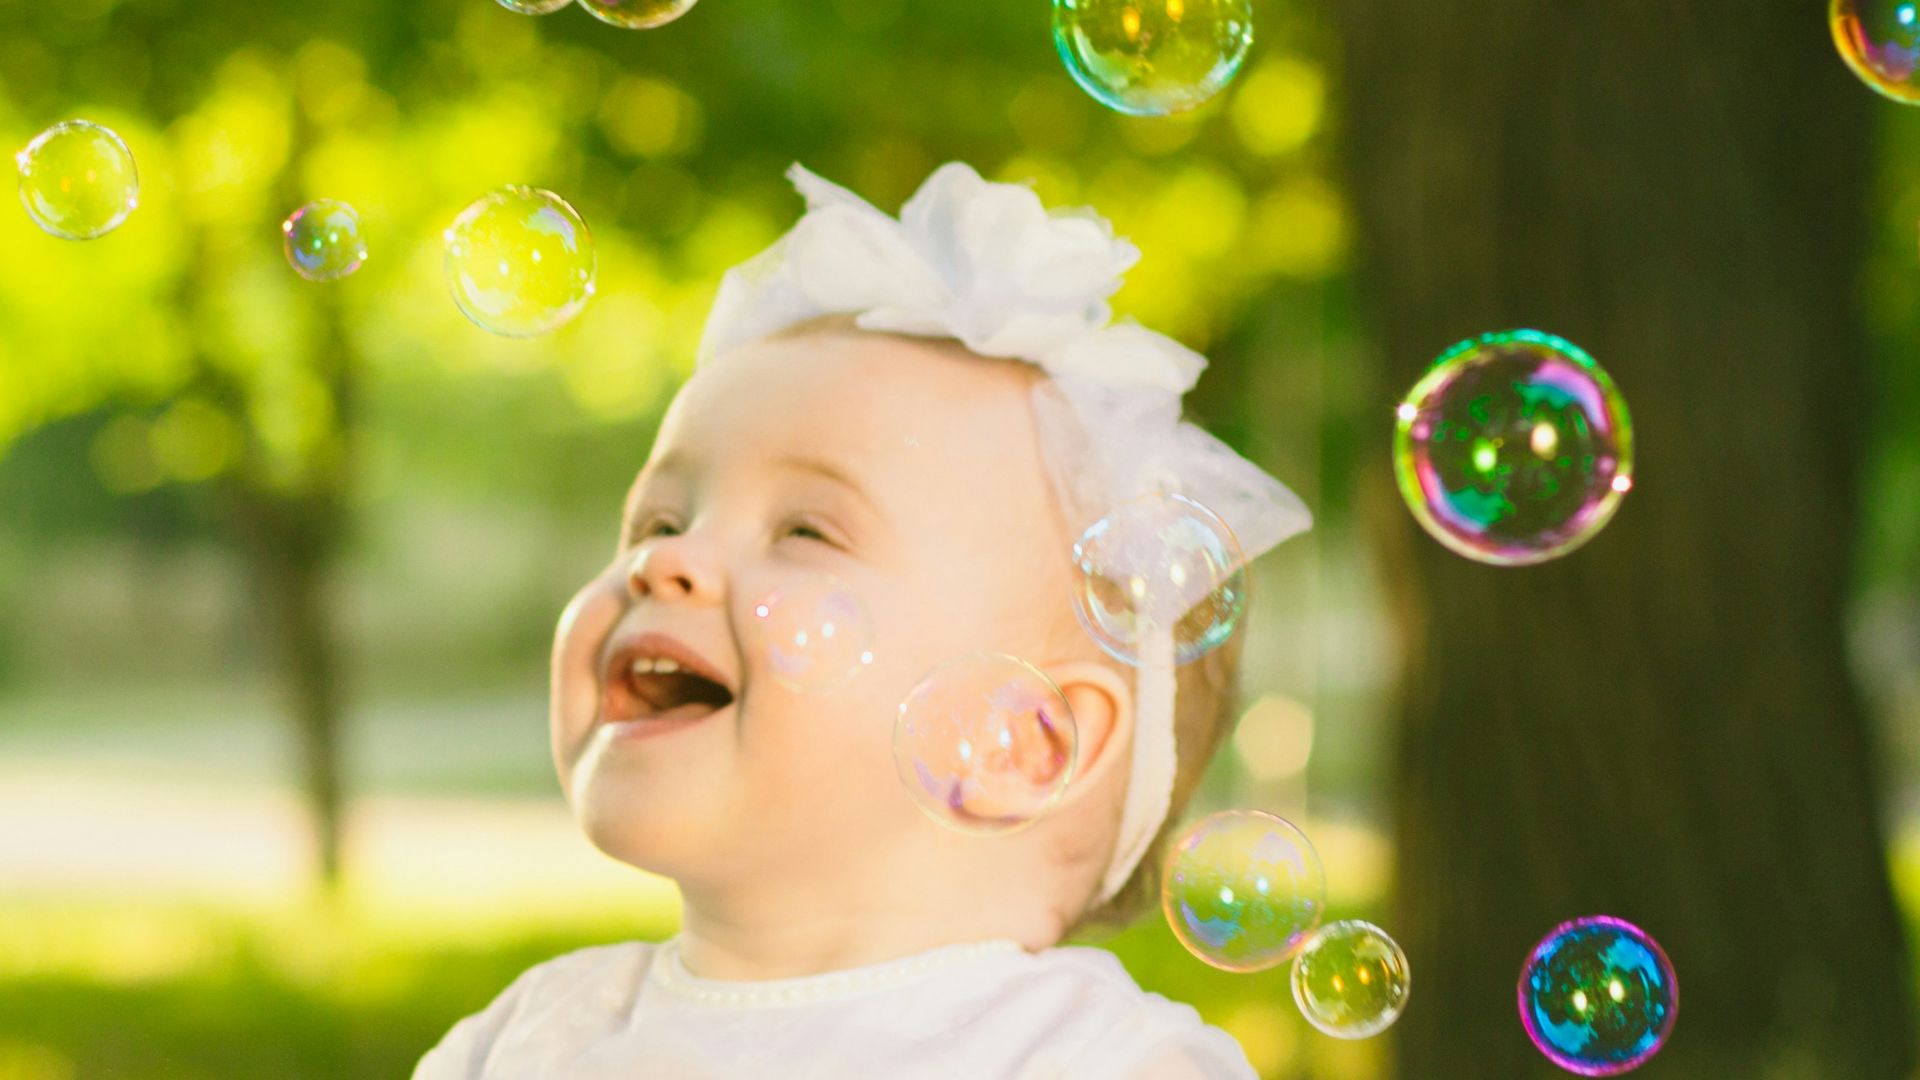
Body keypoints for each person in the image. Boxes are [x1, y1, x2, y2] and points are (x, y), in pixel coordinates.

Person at [413, 160, 1311, 1079]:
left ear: (1016, 740)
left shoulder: (1093, 1061)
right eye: (658, 521)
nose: (662, 562)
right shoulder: (530, 1035)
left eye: (804, 531)